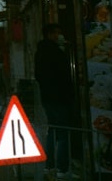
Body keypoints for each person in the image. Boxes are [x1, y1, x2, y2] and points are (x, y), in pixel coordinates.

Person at [35, 23, 75, 179]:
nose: (60, 36)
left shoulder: (39, 52)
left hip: (47, 97)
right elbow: (65, 77)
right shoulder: (57, 53)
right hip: (60, 98)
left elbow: (38, 75)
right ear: (50, 34)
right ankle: (62, 168)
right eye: (57, 33)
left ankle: (49, 165)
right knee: (63, 133)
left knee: (52, 130)